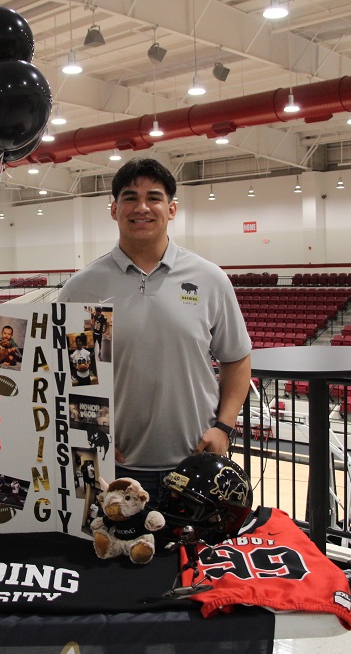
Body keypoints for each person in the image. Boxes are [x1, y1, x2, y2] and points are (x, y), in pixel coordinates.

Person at [57, 157, 251, 499]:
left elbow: (236, 359)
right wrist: (90, 434)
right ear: (114, 209)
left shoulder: (210, 279)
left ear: (171, 209)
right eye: (130, 198)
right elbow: (70, 373)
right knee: (114, 552)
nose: (141, 207)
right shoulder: (81, 288)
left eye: (154, 198)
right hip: (115, 469)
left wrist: (223, 427)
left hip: (196, 464)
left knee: (192, 554)